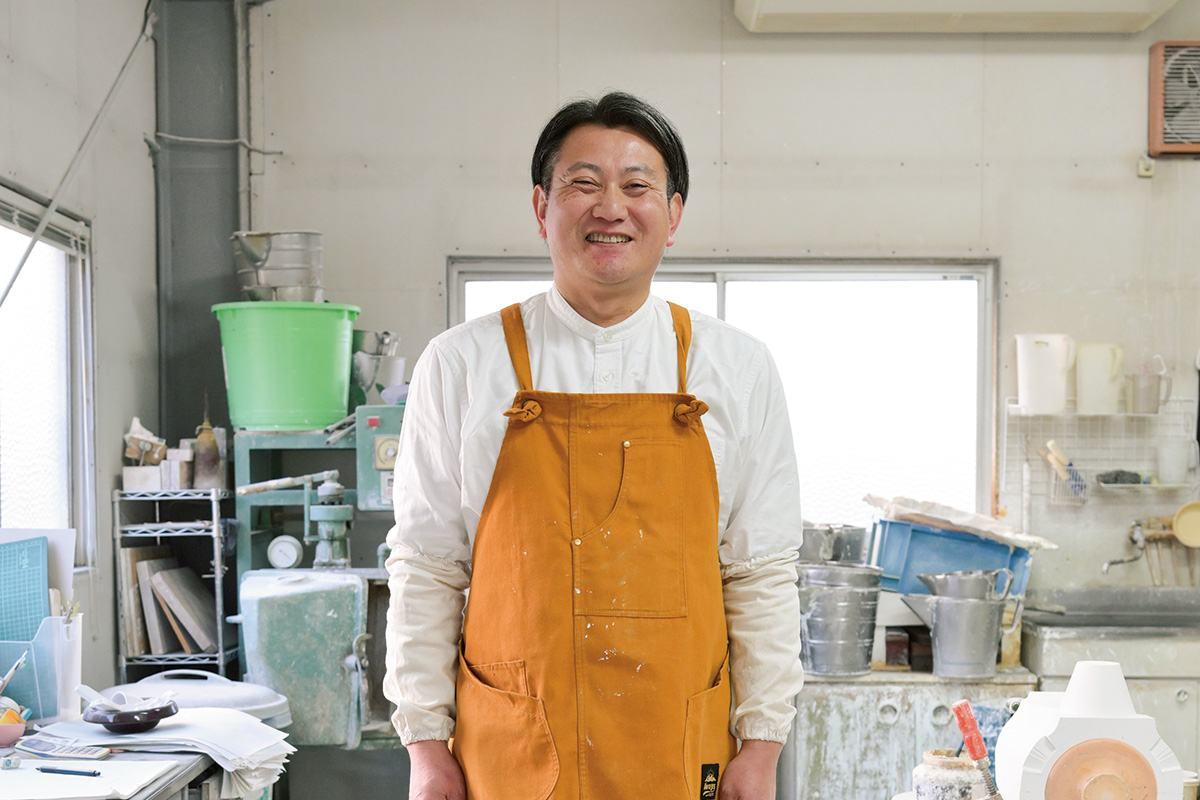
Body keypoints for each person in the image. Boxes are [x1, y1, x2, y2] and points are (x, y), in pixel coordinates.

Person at [384, 91, 804, 800]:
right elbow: (428, 567)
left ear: (672, 215)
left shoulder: (736, 366)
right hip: (513, 748)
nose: (611, 208)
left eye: (637, 186)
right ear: (541, 207)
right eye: (584, 183)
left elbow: (759, 572)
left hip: (678, 747)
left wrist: (761, 743)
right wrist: (425, 744)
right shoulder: (461, 364)